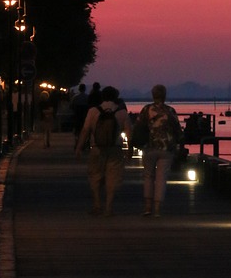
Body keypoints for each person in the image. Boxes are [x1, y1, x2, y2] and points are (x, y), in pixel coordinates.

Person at [75, 85, 132, 216]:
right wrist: (129, 149)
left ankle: (96, 205)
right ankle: (109, 207)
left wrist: (79, 147)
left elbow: (85, 131)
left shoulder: (93, 111)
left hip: (96, 148)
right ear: (116, 97)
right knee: (112, 177)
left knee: (95, 176)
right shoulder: (122, 112)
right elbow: (129, 132)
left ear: (102, 96)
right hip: (115, 149)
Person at [133, 84, 182, 217]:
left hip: (149, 147)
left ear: (153, 95)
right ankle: (157, 209)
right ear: (165, 96)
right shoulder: (170, 111)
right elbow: (178, 130)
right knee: (161, 178)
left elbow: (138, 127)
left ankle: (147, 208)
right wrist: (177, 145)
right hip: (166, 148)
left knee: (148, 176)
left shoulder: (146, 109)